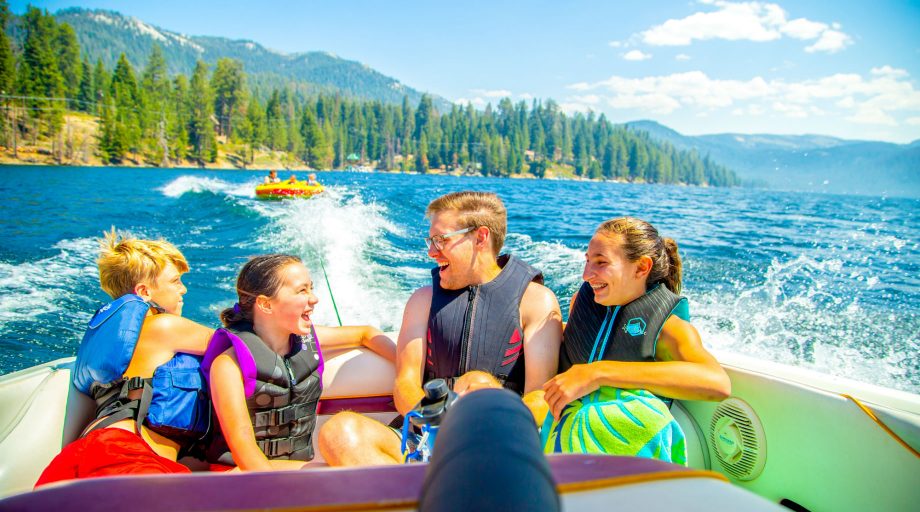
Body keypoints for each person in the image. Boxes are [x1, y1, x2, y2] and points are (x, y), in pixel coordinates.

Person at [317, 191, 563, 466]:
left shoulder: (536, 301)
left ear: (480, 237)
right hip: (426, 434)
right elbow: (406, 383)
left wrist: (488, 416)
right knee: (338, 432)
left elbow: (540, 396)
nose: (431, 251)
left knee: (479, 384)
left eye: (441, 240)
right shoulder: (422, 301)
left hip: (496, 438)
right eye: (431, 240)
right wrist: (439, 424)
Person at [541, 217, 731, 463]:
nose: (587, 274)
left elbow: (718, 383)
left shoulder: (669, 328)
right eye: (587, 261)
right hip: (562, 438)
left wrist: (598, 374)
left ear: (641, 268)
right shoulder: (582, 302)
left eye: (601, 263)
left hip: (624, 451)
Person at [35, 230, 214, 486]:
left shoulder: (98, 350)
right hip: (126, 458)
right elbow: (250, 347)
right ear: (143, 291)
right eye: (175, 281)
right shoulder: (166, 327)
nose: (183, 289)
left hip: (75, 460)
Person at [202, 254, 396, 471]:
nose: (313, 299)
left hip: (299, 470)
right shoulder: (228, 366)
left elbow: (365, 334)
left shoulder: (310, 342)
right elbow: (244, 449)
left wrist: (414, 371)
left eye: (311, 288)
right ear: (266, 304)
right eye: (302, 291)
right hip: (241, 478)